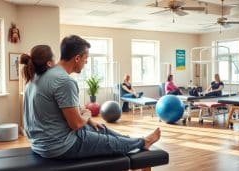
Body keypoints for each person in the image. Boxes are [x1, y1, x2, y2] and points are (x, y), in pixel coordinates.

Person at [21, 36, 160, 160]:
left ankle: (134, 140)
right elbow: (75, 124)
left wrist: (90, 120)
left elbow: (65, 110)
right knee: (108, 142)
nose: (86, 63)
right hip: (60, 146)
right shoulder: (64, 81)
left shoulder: (38, 76)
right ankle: (143, 142)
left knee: (101, 129)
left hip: (40, 143)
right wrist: (86, 115)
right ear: (77, 58)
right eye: (86, 59)